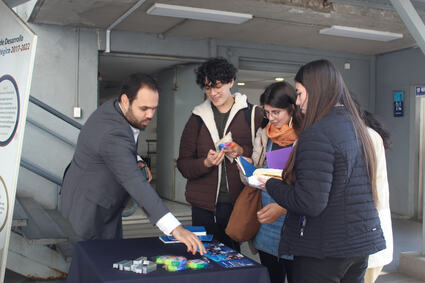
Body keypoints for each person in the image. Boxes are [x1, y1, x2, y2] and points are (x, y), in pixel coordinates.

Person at [258, 59, 386, 283]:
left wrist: (268, 183)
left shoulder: (316, 133)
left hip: (324, 248)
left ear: (315, 90)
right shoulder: (356, 126)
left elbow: (309, 203)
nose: (297, 102)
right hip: (358, 245)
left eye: (299, 93)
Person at [60, 73, 205, 255]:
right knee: (95, 264)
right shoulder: (112, 132)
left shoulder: (114, 109)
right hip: (89, 213)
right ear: (125, 100)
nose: (150, 115)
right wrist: (175, 228)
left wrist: (135, 159)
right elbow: (135, 183)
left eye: (154, 108)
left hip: (97, 202)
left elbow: (118, 148)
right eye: (144, 108)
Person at [177, 57, 263, 251]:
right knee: (203, 258)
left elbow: (266, 157)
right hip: (203, 207)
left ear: (231, 81)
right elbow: (183, 164)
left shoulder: (252, 114)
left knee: (233, 260)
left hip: (239, 202)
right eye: (208, 88)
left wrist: (241, 151)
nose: (213, 93)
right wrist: (205, 163)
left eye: (218, 87)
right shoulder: (197, 117)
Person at [248, 82, 301, 283]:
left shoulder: (306, 136)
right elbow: (255, 173)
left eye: (276, 112)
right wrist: (248, 167)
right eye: (267, 112)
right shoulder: (264, 134)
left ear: (292, 109)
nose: (271, 118)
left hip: (294, 221)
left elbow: (310, 185)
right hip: (267, 222)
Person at [361, 110, 393, 283]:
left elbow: (376, 191)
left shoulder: (367, 137)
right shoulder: (366, 134)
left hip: (368, 228)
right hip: (366, 231)